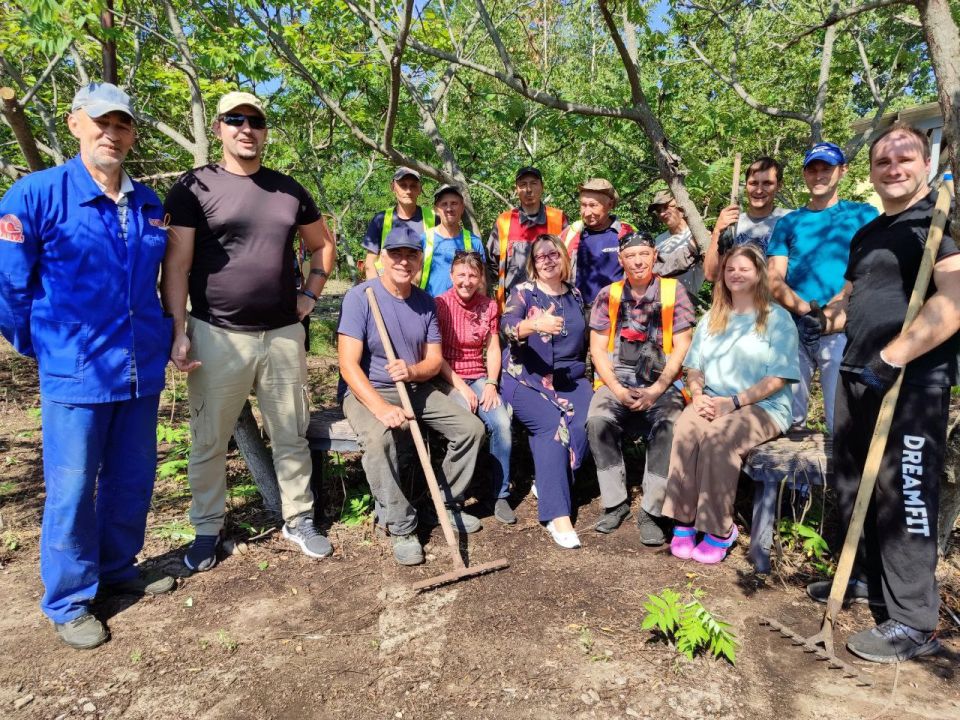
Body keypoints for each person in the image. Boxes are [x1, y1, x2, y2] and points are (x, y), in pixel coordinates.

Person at [0, 83, 175, 649]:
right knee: (73, 489)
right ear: (76, 123)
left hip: (138, 366)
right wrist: (39, 344)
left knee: (131, 479)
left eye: (122, 124)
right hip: (74, 372)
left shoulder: (149, 203)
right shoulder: (36, 194)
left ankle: (118, 569)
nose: (112, 133)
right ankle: (69, 599)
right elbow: (8, 285)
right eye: (101, 122)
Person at [162, 90, 337, 571]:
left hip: (282, 334)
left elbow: (322, 245)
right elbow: (175, 267)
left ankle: (299, 519)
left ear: (264, 131)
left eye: (255, 121)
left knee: (291, 434)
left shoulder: (288, 190)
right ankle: (206, 529)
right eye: (235, 119)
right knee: (208, 440)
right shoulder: (193, 187)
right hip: (216, 333)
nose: (247, 128)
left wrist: (310, 295)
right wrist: (178, 328)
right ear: (218, 127)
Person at [806, 124, 959, 663]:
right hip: (855, 372)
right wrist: (821, 320)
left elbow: (953, 302)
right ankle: (866, 578)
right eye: (883, 160)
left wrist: (894, 356)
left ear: (924, 163)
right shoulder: (869, 232)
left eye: (905, 157)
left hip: (911, 383)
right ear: (871, 171)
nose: (893, 168)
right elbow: (849, 303)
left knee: (906, 494)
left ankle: (915, 621)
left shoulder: (936, 226)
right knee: (852, 484)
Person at [339, 228, 486, 566]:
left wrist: (412, 371)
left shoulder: (424, 302)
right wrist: (380, 407)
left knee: (471, 429)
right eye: (396, 254)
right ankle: (401, 525)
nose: (404, 261)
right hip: (367, 391)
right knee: (380, 441)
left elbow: (434, 361)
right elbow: (348, 366)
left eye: (411, 255)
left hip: (416, 387)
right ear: (383, 258)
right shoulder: (361, 297)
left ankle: (444, 504)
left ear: (420, 259)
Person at [661, 245, 799, 564]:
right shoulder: (713, 317)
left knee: (719, 438)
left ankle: (719, 529)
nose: (735, 274)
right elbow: (693, 366)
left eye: (744, 268)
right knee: (684, 427)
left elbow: (779, 378)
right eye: (730, 269)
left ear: (759, 274)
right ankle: (684, 521)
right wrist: (698, 395)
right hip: (713, 400)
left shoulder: (777, 319)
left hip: (763, 408)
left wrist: (733, 403)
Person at [586, 232, 695, 544]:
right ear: (621, 260)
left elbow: (682, 346)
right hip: (616, 381)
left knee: (670, 426)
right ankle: (615, 502)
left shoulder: (675, 291)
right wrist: (618, 391)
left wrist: (657, 390)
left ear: (654, 256)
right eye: (631, 256)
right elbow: (597, 349)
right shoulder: (608, 295)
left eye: (644, 254)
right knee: (597, 421)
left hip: (662, 383)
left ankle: (652, 510)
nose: (637, 261)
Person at [767, 142, 878, 432]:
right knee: (788, 421)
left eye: (826, 168)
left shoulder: (863, 215)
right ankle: (790, 479)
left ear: (842, 171)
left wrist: (830, 315)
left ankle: (840, 477)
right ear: (804, 174)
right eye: (812, 169)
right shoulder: (789, 222)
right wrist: (806, 312)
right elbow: (774, 278)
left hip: (842, 332)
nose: (818, 175)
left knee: (840, 420)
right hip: (794, 331)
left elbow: (868, 270)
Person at [500, 235, 592, 549]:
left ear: (564, 258)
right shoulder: (523, 293)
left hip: (570, 379)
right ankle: (557, 515)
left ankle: (549, 479)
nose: (548, 260)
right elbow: (507, 326)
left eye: (553, 254)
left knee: (584, 424)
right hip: (526, 377)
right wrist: (533, 325)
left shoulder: (576, 294)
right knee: (553, 428)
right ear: (533, 264)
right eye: (540, 257)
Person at [435, 251, 514, 524]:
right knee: (468, 424)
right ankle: (454, 493)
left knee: (501, 422)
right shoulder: (440, 305)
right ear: (451, 275)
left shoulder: (488, 306)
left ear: (480, 277)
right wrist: (461, 387)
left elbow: (493, 347)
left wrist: (491, 383)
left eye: (472, 275)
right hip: (447, 378)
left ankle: (500, 494)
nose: (466, 281)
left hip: (478, 376)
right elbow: (436, 356)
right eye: (461, 275)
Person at [487, 166, 568, 309]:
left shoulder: (558, 219)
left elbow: (569, 263)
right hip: (513, 307)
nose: (528, 189)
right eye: (523, 185)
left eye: (534, 183)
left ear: (542, 187)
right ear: (516, 189)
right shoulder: (504, 221)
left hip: (554, 305)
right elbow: (492, 264)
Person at [704, 157, 789, 281]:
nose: (759, 190)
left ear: (779, 186)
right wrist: (718, 231)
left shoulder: (790, 220)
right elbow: (711, 275)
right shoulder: (732, 222)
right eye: (753, 183)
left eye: (767, 183)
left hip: (773, 300)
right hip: (737, 299)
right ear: (746, 185)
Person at [561, 178, 634, 307]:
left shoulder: (626, 232)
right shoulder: (572, 233)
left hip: (616, 310)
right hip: (578, 311)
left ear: (610, 205)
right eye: (583, 205)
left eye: (593, 205)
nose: (587, 212)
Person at [362, 167, 435, 279]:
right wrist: (376, 291)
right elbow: (370, 263)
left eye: (413, 186)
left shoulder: (434, 219)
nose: (408, 191)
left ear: (420, 189)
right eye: (403, 185)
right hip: (388, 292)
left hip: (426, 293)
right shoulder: (380, 219)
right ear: (393, 187)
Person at [418, 184, 484, 296]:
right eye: (444, 204)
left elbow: (481, 284)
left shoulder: (474, 242)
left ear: (462, 207)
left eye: (454, 203)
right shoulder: (424, 240)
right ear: (436, 209)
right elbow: (415, 280)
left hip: (465, 311)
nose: (449, 209)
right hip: (430, 309)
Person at [647, 190, 704, 299]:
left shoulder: (696, 236)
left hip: (685, 302)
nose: (662, 213)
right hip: (659, 302)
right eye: (659, 211)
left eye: (666, 207)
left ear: (681, 207)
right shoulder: (659, 240)